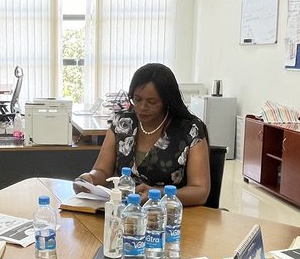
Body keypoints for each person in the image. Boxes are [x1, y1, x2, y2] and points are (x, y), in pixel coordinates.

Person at [75, 63, 211, 206]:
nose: (142, 107)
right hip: (126, 213)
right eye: (137, 99)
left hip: (170, 216)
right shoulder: (122, 123)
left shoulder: (190, 129)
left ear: (167, 101)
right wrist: (89, 178)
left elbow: (200, 191)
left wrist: (157, 194)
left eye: (151, 102)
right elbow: (102, 171)